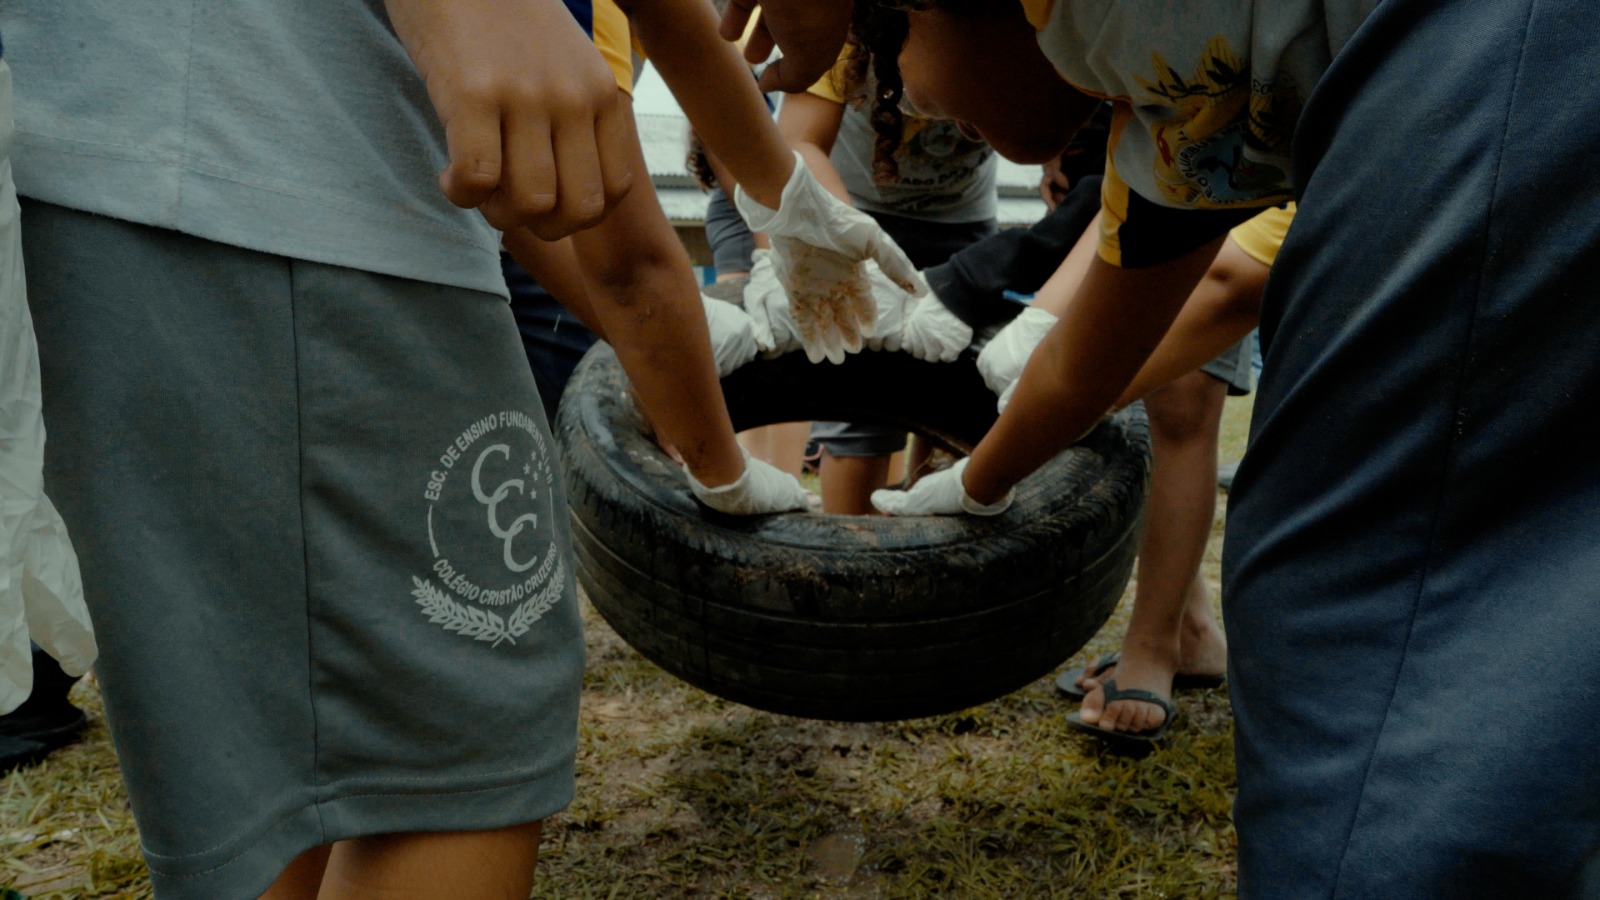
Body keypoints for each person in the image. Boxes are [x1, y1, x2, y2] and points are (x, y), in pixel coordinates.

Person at [0, 0, 904, 895]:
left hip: (131, 176)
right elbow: (626, 260)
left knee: (270, 767)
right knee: (466, 737)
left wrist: (783, 193)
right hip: (296, 202)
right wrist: (722, 468)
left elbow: (664, 41)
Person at [770, 0, 1599, 894]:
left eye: (890, 44)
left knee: (1355, 598)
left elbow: (1228, 287)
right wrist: (981, 480)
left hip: (1517, 64)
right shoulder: (1177, 95)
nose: (906, 99)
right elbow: (1086, 362)